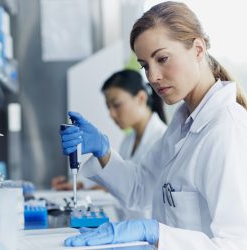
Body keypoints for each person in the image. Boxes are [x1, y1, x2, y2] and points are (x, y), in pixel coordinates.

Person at [60, 1, 247, 249]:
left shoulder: (226, 129)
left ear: (198, 49)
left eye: (162, 58)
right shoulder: (182, 126)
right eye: (145, 65)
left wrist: (155, 232)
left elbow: (237, 243)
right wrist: (103, 151)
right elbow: (140, 189)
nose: (153, 77)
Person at [54, 69, 167, 218]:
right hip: (126, 223)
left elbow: (143, 193)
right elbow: (125, 183)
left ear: (140, 98)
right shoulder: (128, 140)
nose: (112, 114)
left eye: (116, 104)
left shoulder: (162, 138)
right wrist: (82, 185)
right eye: (109, 107)